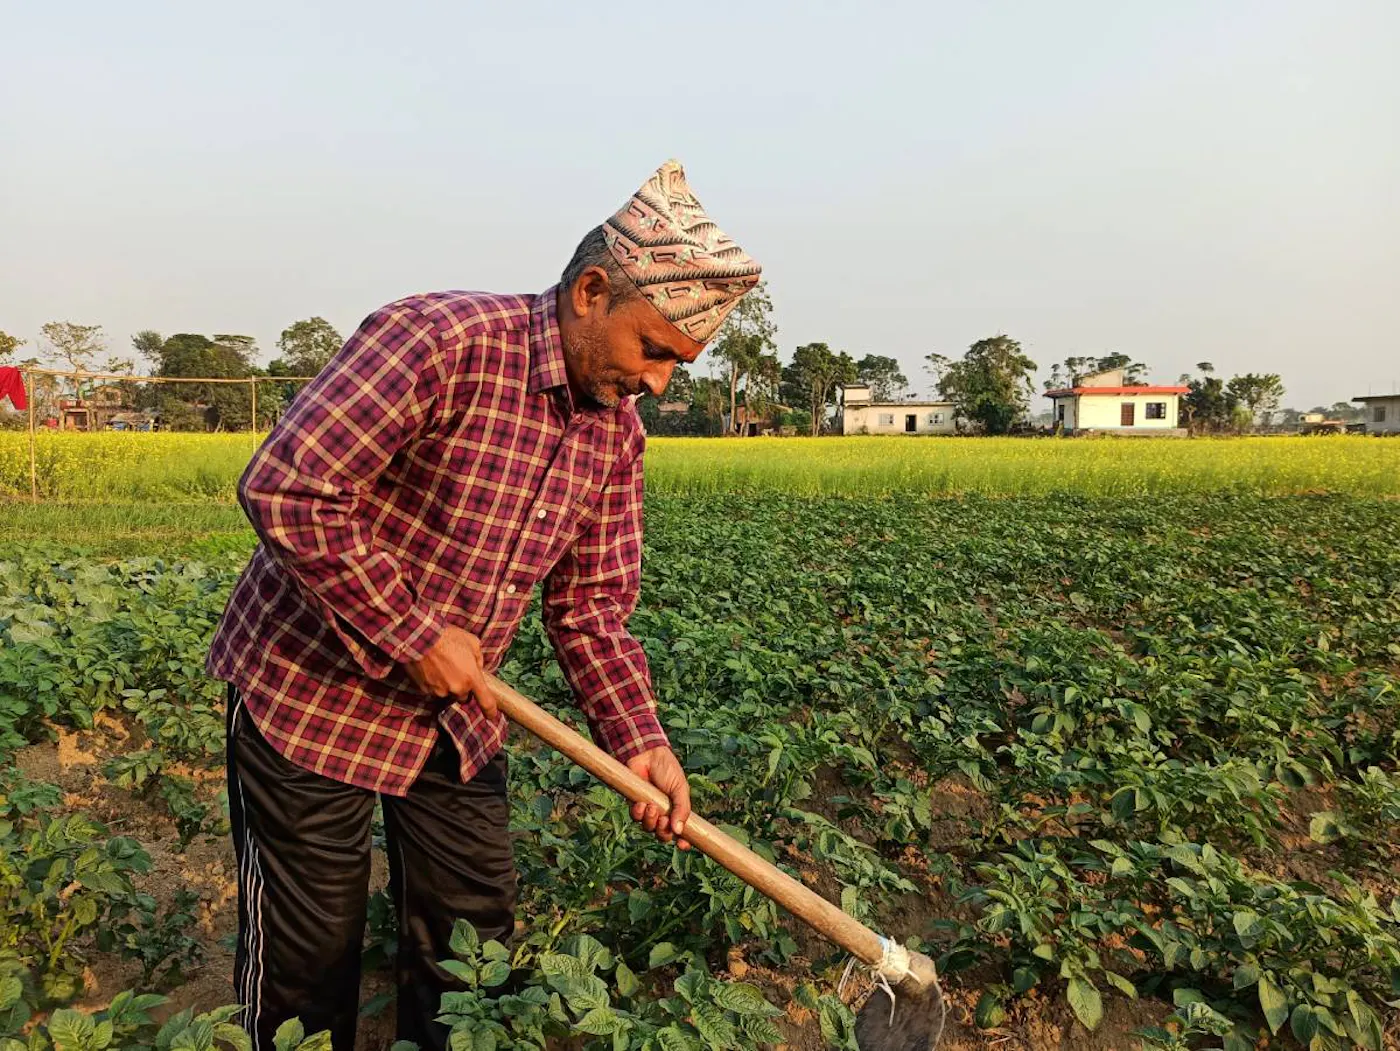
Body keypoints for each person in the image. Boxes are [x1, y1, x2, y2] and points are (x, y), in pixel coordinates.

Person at [205, 160, 761, 1051]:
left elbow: (590, 610)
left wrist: (642, 744)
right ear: (590, 291)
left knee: (474, 953)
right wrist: (412, 630)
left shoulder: (615, 435)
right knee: (309, 967)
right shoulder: (439, 341)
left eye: (679, 365)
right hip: (307, 695)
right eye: (654, 349)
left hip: (451, 719)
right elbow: (289, 485)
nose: (659, 383)